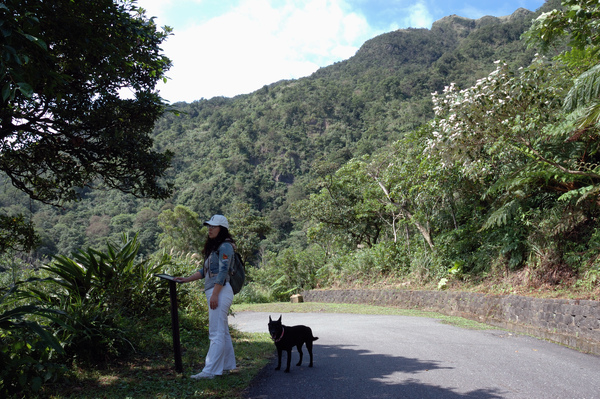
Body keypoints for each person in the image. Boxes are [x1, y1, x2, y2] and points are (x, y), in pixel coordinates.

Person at [174, 214, 237, 379]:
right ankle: (226, 366)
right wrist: (186, 279)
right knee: (222, 332)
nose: (209, 229)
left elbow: (223, 271)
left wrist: (215, 294)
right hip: (216, 290)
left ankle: (209, 371)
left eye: (213, 226)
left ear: (221, 229)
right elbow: (205, 271)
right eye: (209, 226)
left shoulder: (225, 246)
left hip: (220, 290)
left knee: (215, 332)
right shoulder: (216, 247)